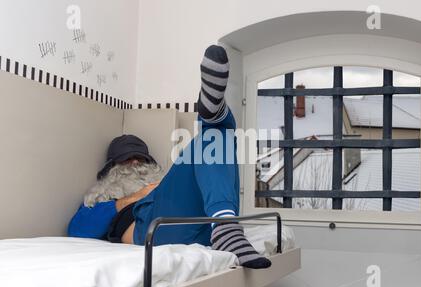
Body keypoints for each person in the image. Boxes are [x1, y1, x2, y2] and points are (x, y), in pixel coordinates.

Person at [68, 45, 271, 269]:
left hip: (198, 220)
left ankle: (224, 226)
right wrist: (136, 196)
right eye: (126, 160)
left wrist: (156, 188)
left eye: (140, 158)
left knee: (214, 137)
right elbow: (77, 229)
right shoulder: (101, 198)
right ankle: (215, 113)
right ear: (110, 169)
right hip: (154, 227)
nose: (135, 163)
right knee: (213, 132)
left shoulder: (164, 184)